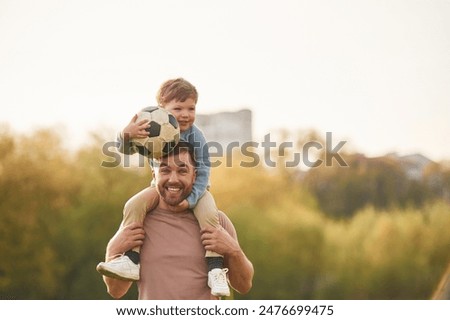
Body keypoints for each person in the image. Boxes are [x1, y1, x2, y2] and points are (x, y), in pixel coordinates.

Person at [97, 78, 230, 296]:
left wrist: (193, 198)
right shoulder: (151, 128)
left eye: (191, 108)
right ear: (162, 109)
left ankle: (215, 268)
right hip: (159, 187)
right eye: (178, 108)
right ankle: (131, 259)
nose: (185, 114)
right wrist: (126, 135)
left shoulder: (196, 136)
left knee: (210, 216)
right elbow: (127, 150)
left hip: (198, 189)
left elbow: (204, 170)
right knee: (134, 204)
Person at [101, 142, 254, 299]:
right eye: (165, 170)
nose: (173, 179)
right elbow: (116, 291)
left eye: (182, 171)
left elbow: (243, 285)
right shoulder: (139, 222)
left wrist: (234, 251)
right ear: (154, 175)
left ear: (195, 176)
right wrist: (113, 250)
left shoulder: (217, 222)